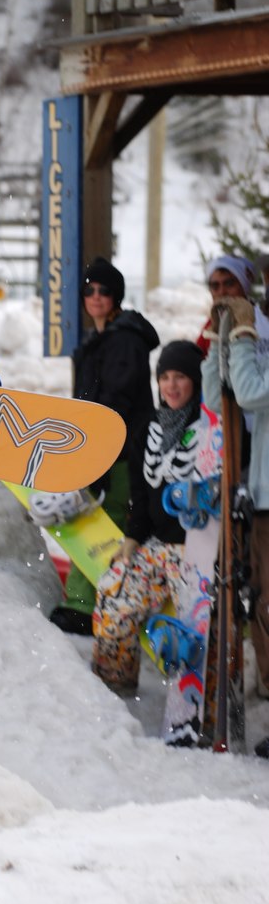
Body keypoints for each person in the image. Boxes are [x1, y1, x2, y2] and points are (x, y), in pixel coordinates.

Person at [48, 257, 160, 635]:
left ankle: (91, 604)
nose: (96, 297)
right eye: (89, 290)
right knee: (97, 516)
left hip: (122, 450)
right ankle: (90, 600)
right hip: (103, 446)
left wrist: (97, 444)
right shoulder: (100, 340)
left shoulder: (124, 339)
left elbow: (117, 401)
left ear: (117, 297)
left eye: (104, 291)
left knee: (106, 517)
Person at [92, 341, 204, 694]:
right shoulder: (148, 430)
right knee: (113, 594)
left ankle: (198, 705)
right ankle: (116, 687)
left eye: (181, 377)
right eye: (165, 377)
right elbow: (140, 497)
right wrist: (131, 540)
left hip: (200, 552)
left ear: (196, 381)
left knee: (196, 629)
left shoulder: (215, 432)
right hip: (157, 546)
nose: (171, 386)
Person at [202, 285, 269, 758]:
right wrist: (216, 343)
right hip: (262, 501)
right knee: (263, 609)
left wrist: (242, 335)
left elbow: (248, 392)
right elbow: (218, 396)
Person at [196, 254, 256, 357]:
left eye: (229, 284)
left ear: (244, 286)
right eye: (215, 286)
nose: (222, 292)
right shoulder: (213, 324)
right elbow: (195, 359)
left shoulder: (263, 320)